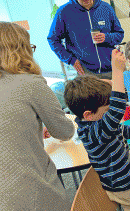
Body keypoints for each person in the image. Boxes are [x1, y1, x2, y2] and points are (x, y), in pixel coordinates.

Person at [63, 49, 130, 211]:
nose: (109, 116)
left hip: (116, 188)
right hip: (129, 185)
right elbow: (117, 109)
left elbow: (119, 130)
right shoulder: (95, 132)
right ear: (89, 114)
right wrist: (117, 71)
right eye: (106, 111)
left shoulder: (92, 126)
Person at [0, 22, 75, 210]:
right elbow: (64, 132)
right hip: (27, 191)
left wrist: (31, 129)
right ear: (21, 50)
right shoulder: (31, 83)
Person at [47, 0, 124, 79]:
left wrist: (107, 37)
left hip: (111, 70)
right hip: (85, 73)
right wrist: (71, 59)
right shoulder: (64, 12)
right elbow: (53, 40)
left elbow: (119, 34)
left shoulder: (106, 8)